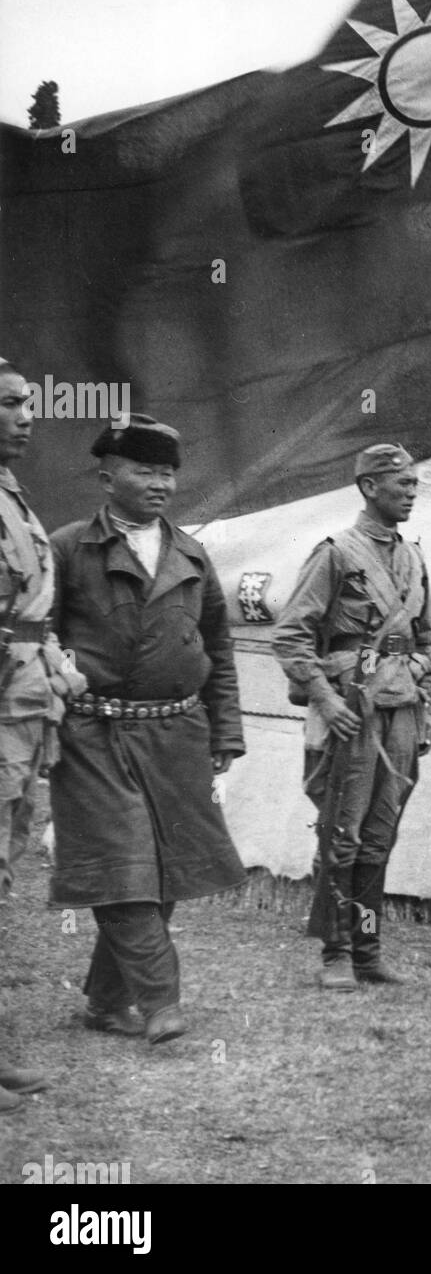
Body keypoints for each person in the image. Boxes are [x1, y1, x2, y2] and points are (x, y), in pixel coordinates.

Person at [48, 414, 246, 1043]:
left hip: (176, 735)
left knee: (162, 875)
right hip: (94, 735)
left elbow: (217, 645)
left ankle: (106, 1003)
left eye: (167, 473)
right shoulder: (68, 547)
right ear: (108, 478)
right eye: (144, 470)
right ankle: (162, 1002)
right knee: (122, 866)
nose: (160, 483)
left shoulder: (191, 553)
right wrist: (58, 677)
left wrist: (226, 733)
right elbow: (37, 633)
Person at [272, 444, 431, 991]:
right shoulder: (335, 553)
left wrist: (428, 709)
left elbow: (426, 641)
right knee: (341, 833)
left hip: (402, 710)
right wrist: (325, 699)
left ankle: (368, 951)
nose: (413, 492)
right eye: (402, 484)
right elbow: (291, 634)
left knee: (379, 837)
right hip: (355, 707)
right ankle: (335, 952)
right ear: (369, 487)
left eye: (415, 484)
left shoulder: (413, 558)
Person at [0, 359, 86, 1112]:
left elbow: (27, 611)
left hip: (25, 712)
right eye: (10, 406)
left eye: (29, 404)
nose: (27, 417)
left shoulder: (14, 500)